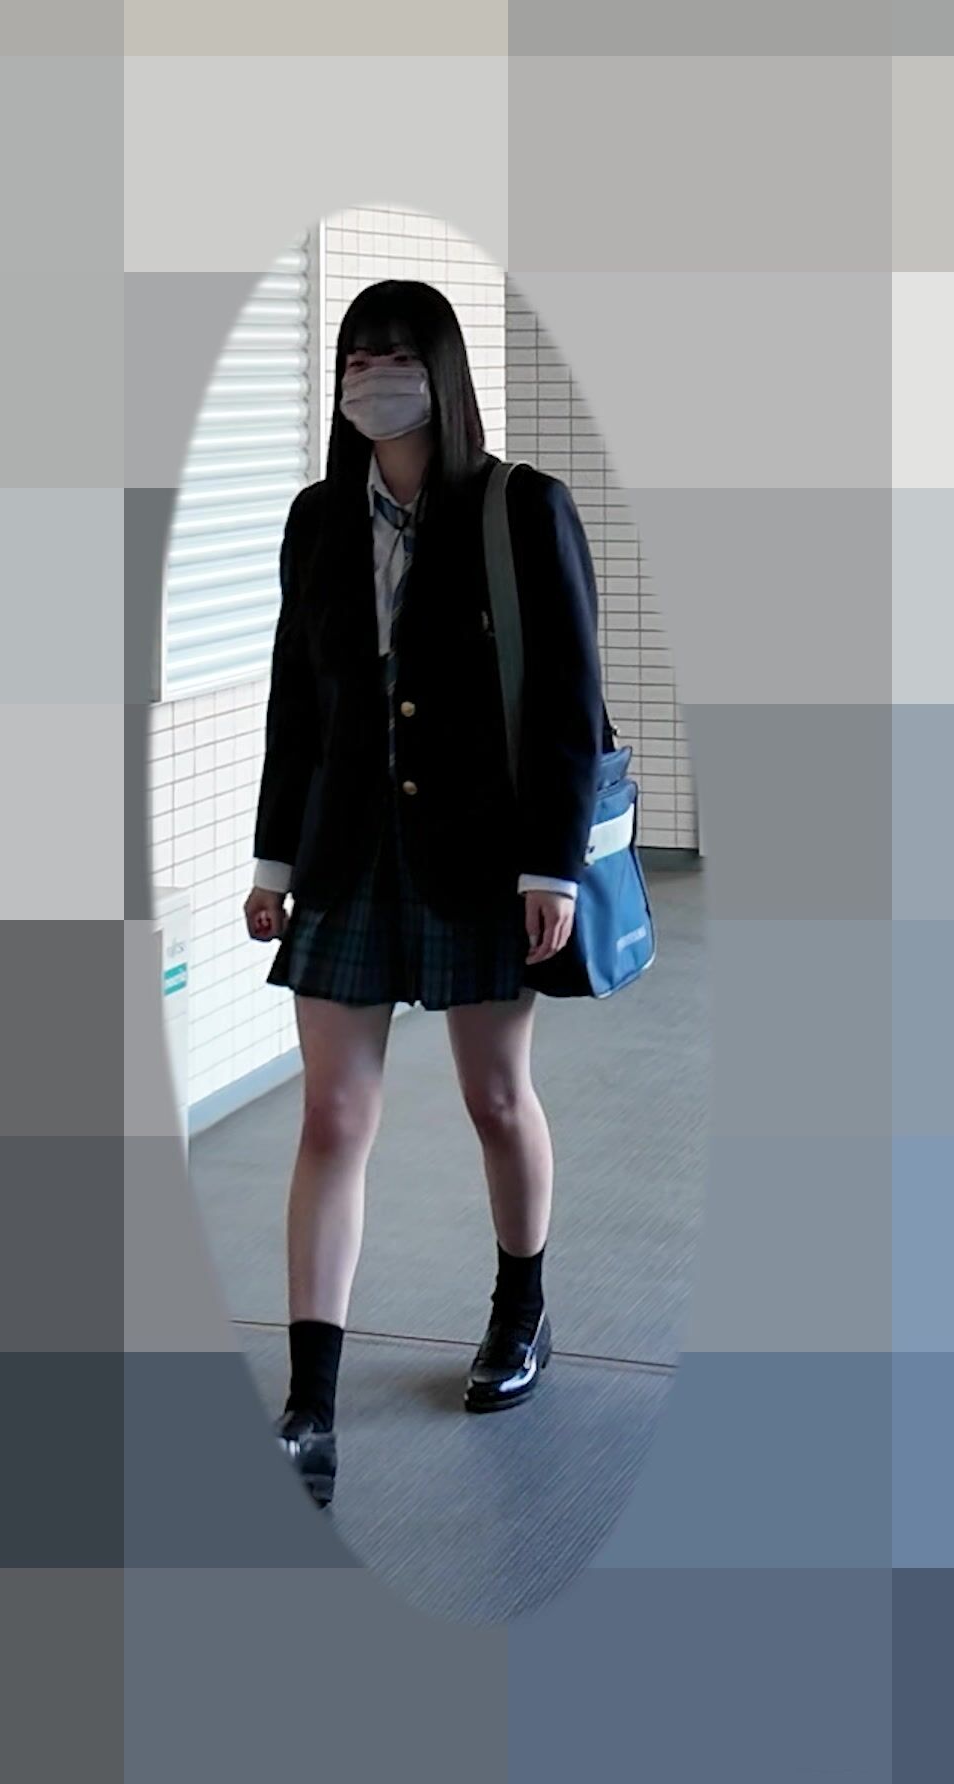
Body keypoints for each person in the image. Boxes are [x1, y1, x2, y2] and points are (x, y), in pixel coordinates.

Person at [244, 277, 607, 1512]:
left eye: (394, 356)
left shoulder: (519, 508)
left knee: (496, 1098)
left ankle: (522, 1309)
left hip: (483, 859)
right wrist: (273, 863)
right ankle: (309, 1409)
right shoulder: (317, 519)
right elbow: (297, 698)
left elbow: (566, 698)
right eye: (354, 357)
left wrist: (551, 866)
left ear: (441, 371)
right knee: (332, 1118)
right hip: (348, 856)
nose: (370, 377)